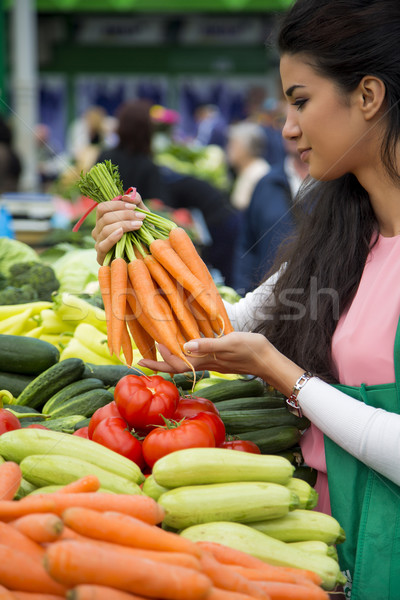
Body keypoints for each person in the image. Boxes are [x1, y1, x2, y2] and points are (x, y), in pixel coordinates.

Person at [92, 2, 400, 597]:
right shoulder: (341, 237)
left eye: (301, 100)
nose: (286, 126)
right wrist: (136, 255)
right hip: (334, 548)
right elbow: (202, 336)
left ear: (368, 96)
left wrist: (282, 373)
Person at [232, 137, 308, 294]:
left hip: (321, 300)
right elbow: (247, 244)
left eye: (301, 116)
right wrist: (242, 293)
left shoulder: (334, 187)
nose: (291, 130)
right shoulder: (266, 183)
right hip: (265, 303)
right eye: (287, 120)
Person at [97, 99, 165, 201]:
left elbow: (88, 197)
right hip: (136, 217)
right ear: (147, 131)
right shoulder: (148, 166)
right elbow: (157, 204)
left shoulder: (104, 157)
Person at [225, 121, 270, 211]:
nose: (228, 149)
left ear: (246, 148)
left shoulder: (258, 173)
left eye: (233, 145)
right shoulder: (245, 170)